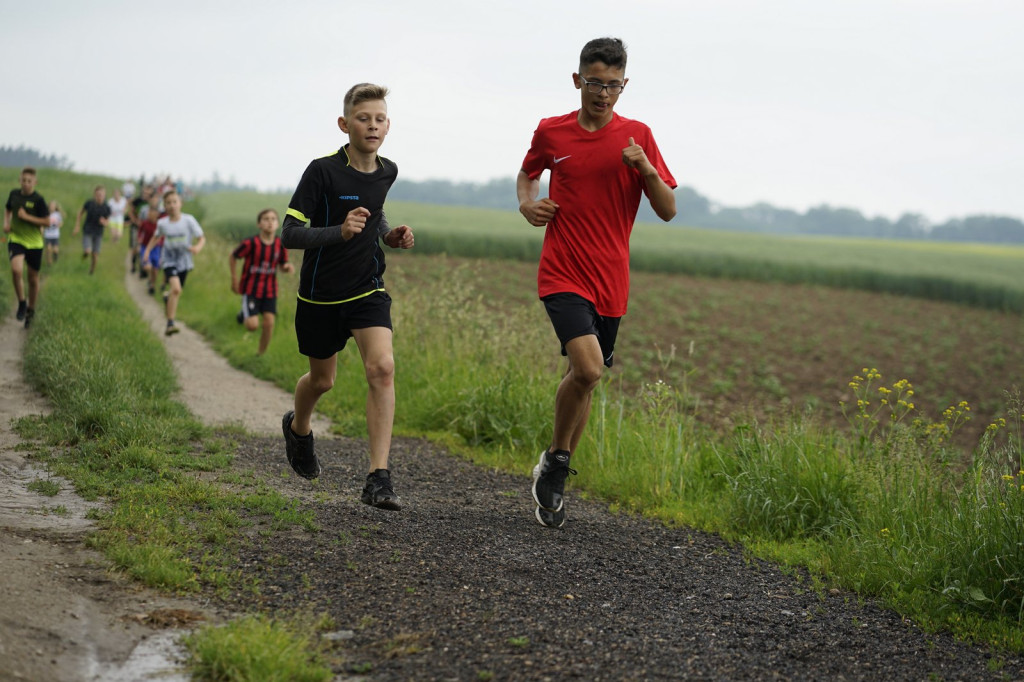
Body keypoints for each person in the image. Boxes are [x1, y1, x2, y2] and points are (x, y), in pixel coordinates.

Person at [516, 37, 677, 528]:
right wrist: (528, 204)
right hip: (562, 270)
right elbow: (528, 175)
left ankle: (554, 464)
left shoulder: (639, 136)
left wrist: (645, 168)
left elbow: (668, 210)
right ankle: (560, 465)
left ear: (624, 85)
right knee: (587, 371)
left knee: (583, 380)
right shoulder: (552, 131)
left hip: (612, 280)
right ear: (577, 80)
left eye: (611, 85)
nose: (602, 93)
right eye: (593, 83)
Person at [280, 82, 414, 510]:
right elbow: (289, 234)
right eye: (363, 118)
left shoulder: (388, 171)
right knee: (322, 381)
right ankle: (299, 429)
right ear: (344, 124)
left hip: (367, 289)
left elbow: (373, 218)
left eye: (379, 119)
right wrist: (338, 232)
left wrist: (388, 235)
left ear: (388, 125)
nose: (372, 125)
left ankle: (379, 477)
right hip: (320, 297)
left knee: (382, 368)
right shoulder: (322, 171)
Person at [230, 208, 295, 355]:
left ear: (278, 224)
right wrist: (234, 279)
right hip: (251, 289)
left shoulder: (280, 244)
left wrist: (287, 267)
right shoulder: (251, 243)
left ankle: (260, 354)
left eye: (273, 219)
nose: (270, 222)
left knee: (269, 323)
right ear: (259, 224)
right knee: (252, 326)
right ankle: (243, 314)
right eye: (266, 219)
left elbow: (282, 264)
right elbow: (233, 256)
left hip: (270, 290)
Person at [141, 189, 205, 336]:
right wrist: (147, 252)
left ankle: (167, 297)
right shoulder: (162, 223)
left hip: (185, 261)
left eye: (174, 202)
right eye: (168, 203)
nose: (172, 205)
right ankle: (170, 324)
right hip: (169, 260)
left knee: (176, 291)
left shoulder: (189, 220)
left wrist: (197, 247)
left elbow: (201, 237)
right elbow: (156, 238)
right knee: (176, 289)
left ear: (180, 203)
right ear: (165, 206)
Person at [3, 167, 49, 327]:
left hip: (35, 243)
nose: (26, 184)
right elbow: (8, 209)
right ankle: (22, 302)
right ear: (19, 180)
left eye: (29, 181)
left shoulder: (39, 200)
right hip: (16, 238)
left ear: (35, 182)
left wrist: (27, 217)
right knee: (16, 270)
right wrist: (6, 223)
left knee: (33, 279)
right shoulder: (14, 194)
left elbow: (47, 222)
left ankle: (31, 309)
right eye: (24, 180)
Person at [73, 185, 111, 275]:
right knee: (88, 250)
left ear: (104, 195)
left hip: (98, 233)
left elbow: (108, 221)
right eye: (98, 194)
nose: (99, 196)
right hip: (88, 230)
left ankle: (91, 271)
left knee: (95, 254)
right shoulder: (89, 203)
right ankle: (85, 253)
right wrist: (77, 225)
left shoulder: (107, 207)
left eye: (101, 194)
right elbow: (80, 213)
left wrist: (104, 222)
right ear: (94, 195)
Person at [136, 196, 161, 294]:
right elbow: (140, 231)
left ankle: (152, 284)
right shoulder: (145, 223)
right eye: (149, 213)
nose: (150, 215)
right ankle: (145, 273)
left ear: (157, 215)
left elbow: (161, 236)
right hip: (145, 246)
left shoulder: (159, 225)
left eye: (152, 213)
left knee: (155, 269)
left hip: (156, 248)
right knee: (148, 267)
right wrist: (139, 238)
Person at [44, 199, 65, 265]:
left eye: (53, 206)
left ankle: (55, 256)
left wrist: (59, 225)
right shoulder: (46, 214)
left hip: (55, 235)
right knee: (49, 249)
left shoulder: (57, 214)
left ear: (55, 207)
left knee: (55, 250)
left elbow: (61, 222)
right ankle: (49, 262)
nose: (52, 207)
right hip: (48, 234)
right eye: (51, 206)